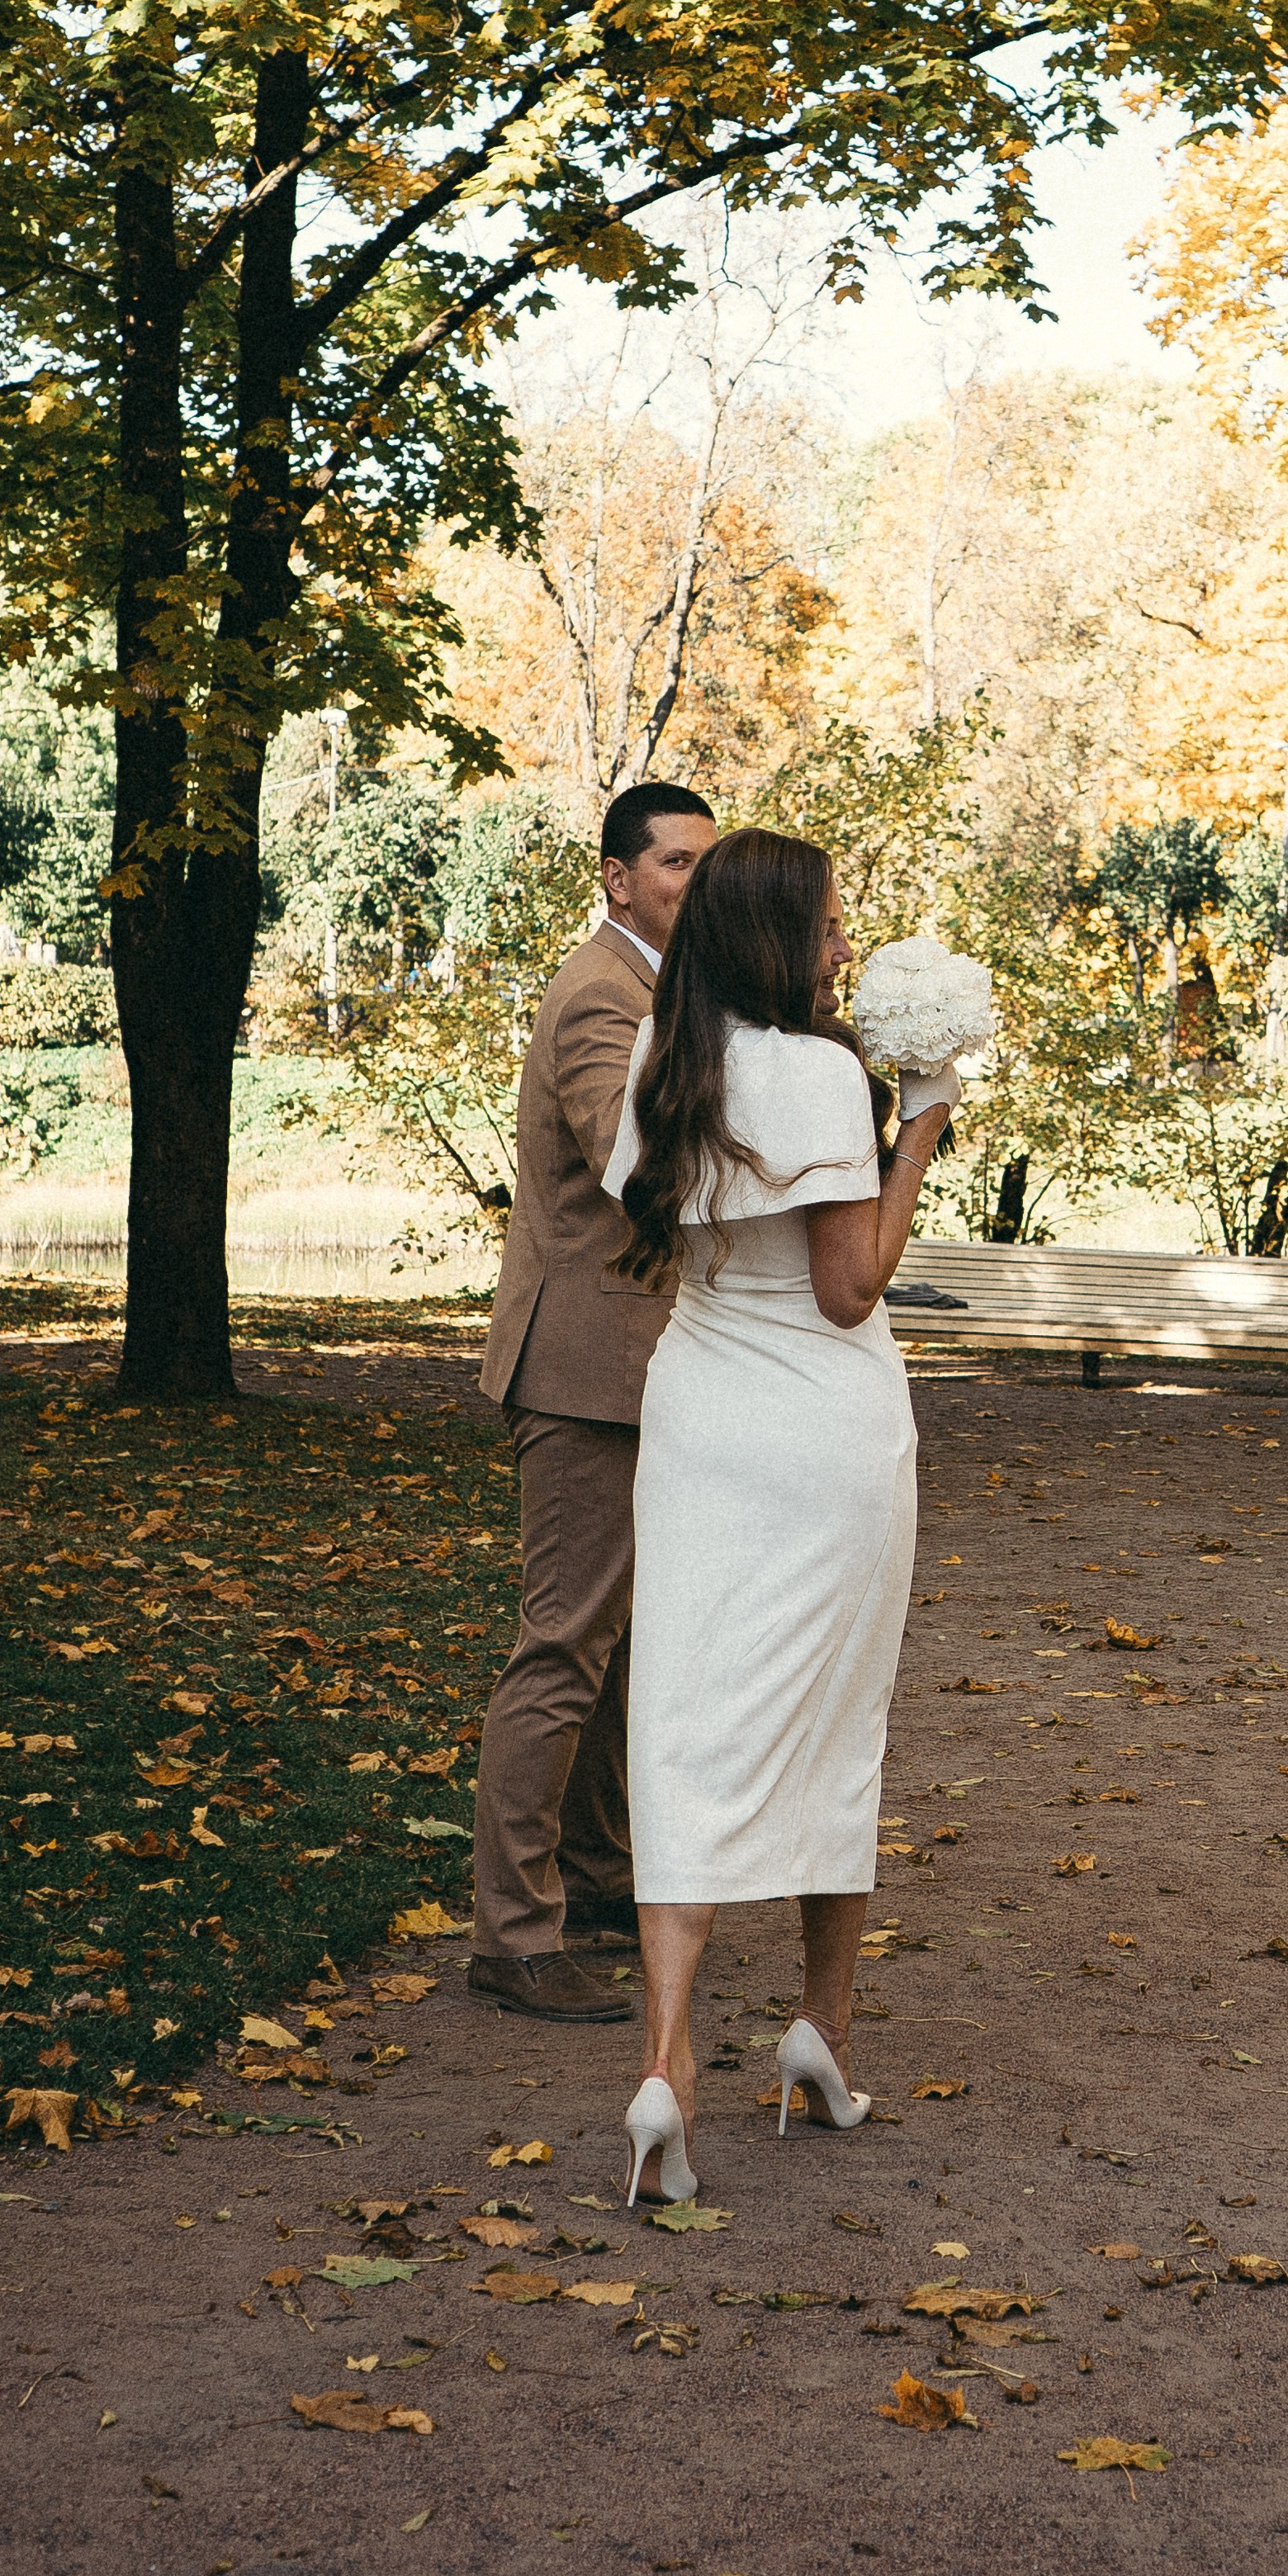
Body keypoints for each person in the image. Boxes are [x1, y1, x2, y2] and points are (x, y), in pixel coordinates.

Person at [598, 829, 960, 2204]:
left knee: (686, 1721)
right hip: (821, 1427)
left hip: (698, 1413)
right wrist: (916, 1133)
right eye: (823, 932)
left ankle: (666, 2063)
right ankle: (824, 2031)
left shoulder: (664, 1057)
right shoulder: (817, 1077)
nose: (840, 952)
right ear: (774, 941)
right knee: (833, 1718)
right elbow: (850, 1286)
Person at [468, 780, 718, 2024]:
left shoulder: (662, 990)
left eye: (703, 866)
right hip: (582, 1369)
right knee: (562, 1647)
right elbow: (637, 1159)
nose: (691, 884)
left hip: (638, 1366)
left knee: (621, 1654)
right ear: (618, 877)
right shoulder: (600, 996)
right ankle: (513, 1936)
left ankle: (600, 1882)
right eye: (673, 864)